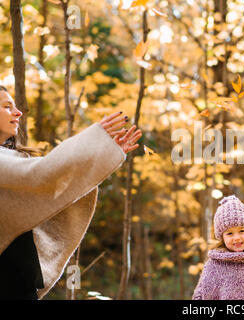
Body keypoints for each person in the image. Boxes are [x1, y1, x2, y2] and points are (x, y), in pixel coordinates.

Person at [0, 85, 142, 300]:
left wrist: (104, 153)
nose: (18, 112)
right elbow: (41, 174)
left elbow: (53, 186)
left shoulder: (12, 159)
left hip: (20, 281)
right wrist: (95, 142)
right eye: (7, 106)